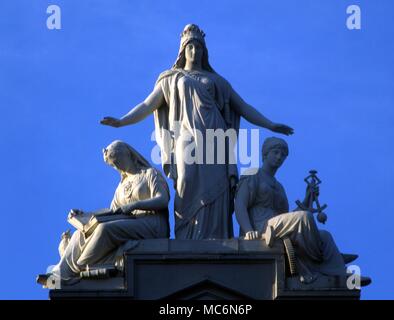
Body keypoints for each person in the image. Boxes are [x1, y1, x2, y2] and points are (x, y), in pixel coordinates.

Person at [100, 24, 294, 240]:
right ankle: (187, 239)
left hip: (216, 139)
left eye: (199, 48)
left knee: (217, 190)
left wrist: (270, 124)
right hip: (187, 139)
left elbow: (244, 107)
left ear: (204, 51)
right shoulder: (171, 78)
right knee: (186, 182)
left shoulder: (218, 82)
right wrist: (122, 121)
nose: (194, 52)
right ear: (182, 51)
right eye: (190, 47)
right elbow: (147, 105)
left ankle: (216, 239)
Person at [39, 140, 170, 285]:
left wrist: (135, 205)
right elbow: (112, 212)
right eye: (113, 165)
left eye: (117, 161)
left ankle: (78, 270)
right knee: (79, 234)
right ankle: (60, 273)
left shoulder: (149, 174)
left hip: (152, 224)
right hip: (131, 223)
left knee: (105, 229)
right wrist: (84, 216)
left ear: (127, 154)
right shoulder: (121, 187)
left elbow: (163, 200)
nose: (117, 167)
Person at [234, 137, 348, 283]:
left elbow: (288, 218)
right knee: (304, 217)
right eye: (275, 152)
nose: (279, 157)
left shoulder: (279, 186)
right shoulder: (253, 175)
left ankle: (340, 274)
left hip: (277, 225)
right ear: (265, 154)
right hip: (261, 226)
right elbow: (240, 205)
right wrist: (248, 230)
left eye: (283, 155)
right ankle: (319, 259)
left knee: (325, 236)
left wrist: (308, 197)